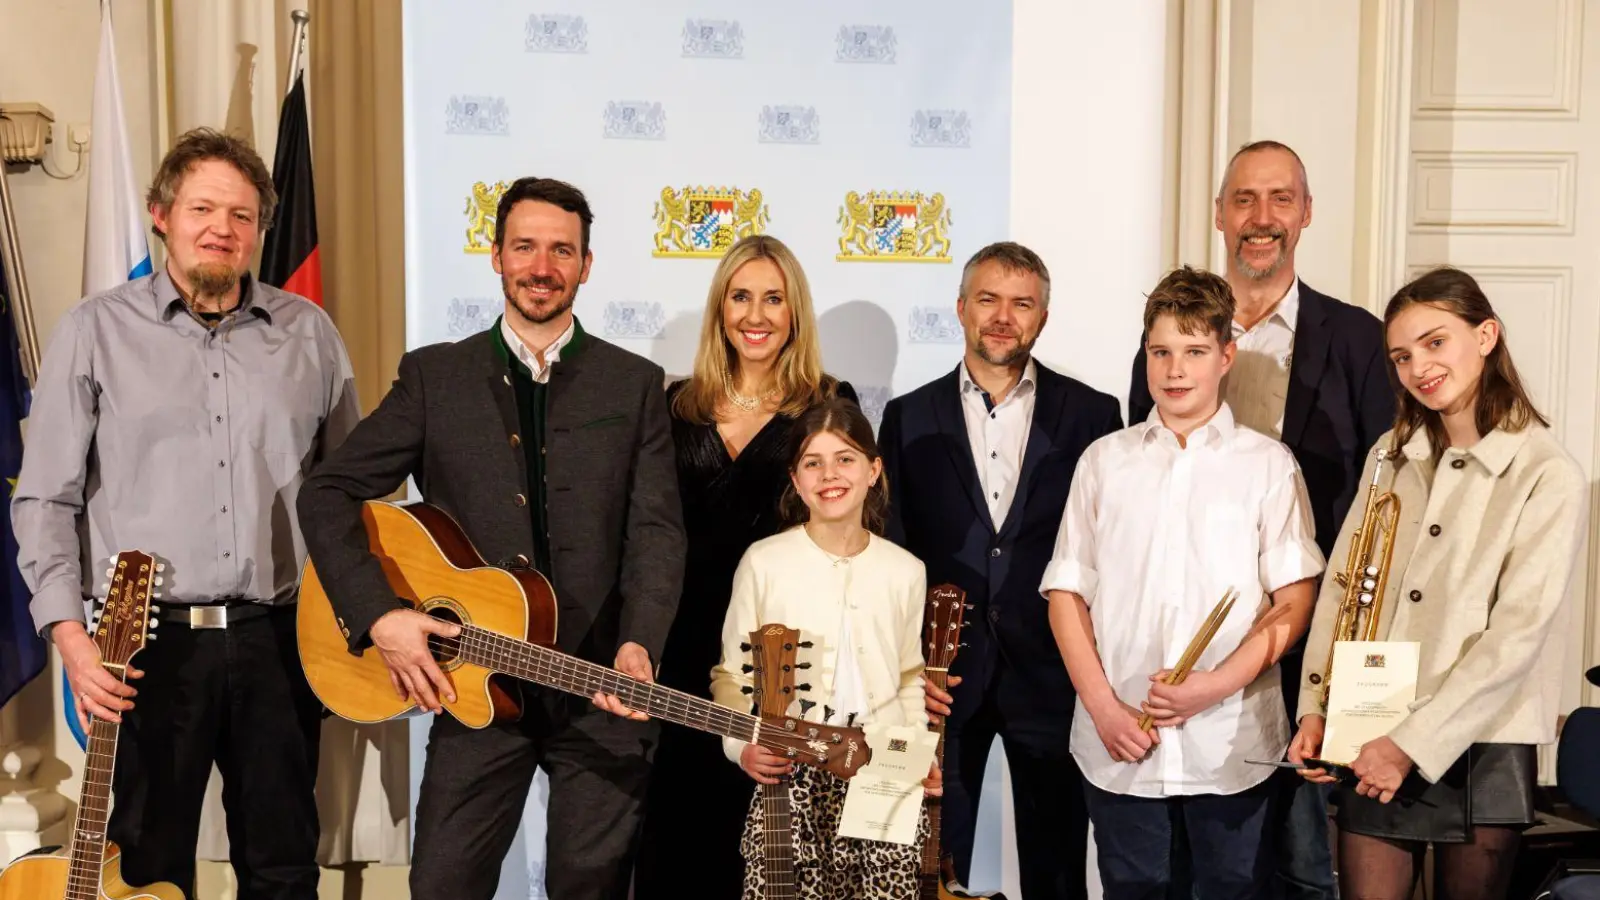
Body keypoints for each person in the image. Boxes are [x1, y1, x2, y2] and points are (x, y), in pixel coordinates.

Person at [295, 176, 685, 900]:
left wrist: (641, 642)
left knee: (591, 888)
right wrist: (380, 615)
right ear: (496, 255)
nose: (542, 266)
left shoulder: (633, 383)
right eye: (525, 247)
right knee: (442, 885)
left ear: (586, 265)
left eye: (561, 250)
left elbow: (656, 532)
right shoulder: (435, 376)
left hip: (600, 685)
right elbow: (326, 492)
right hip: (473, 683)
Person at [12, 127, 359, 899]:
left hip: (281, 641)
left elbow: (349, 495)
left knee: (283, 868)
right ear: (161, 214)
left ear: (259, 229)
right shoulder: (94, 331)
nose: (221, 229)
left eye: (241, 215)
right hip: (140, 645)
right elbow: (45, 498)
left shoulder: (311, 335)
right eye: (203, 208)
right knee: (144, 871)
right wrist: (71, 638)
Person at [1127, 140, 1393, 898]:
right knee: (1191, 865)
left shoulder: (1357, 338)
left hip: (1308, 641)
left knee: (1306, 863)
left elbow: (1385, 494)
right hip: (1187, 654)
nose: (1261, 217)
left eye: (1281, 198)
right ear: (1219, 214)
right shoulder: (1166, 342)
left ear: (1307, 213)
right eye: (1244, 198)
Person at [1290, 266, 1587, 900]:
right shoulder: (1389, 454)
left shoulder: (1547, 472)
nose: (1418, 367)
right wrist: (1316, 705)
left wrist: (1409, 745)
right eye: (1401, 356)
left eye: (1434, 342)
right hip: (1373, 723)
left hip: (1484, 739)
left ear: (1486, 335)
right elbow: (1345, 586)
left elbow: (1517, 635)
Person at [1046, 265, 1325, 899]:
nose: (1175, 370)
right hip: (1121, 740)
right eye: (1161, 352)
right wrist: (1102, 707)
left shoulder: (1268, 465)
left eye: (1195, 351)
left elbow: (1294, 600)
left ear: (1226, 356)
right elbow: (1066, 594)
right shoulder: (1103, 461)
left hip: (1231, 743)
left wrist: (1215, 685)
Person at [878, 241, 1121, 899]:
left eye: (1022, 304)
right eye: (988, 299)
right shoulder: (906, 416)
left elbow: (1108, 550)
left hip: (1053, 673)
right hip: (941, 679)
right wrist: (906, 670)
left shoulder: (1094, 415)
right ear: (961, 308)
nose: (1003, 317)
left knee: (1057, 869)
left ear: (1043, 317)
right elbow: (891, 551)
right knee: (932, 866)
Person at [634, 235, 856, 899]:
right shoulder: (674, 405)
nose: (755, 315)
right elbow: (640, 530)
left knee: (772, 854)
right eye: (740, 297)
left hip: (783, 663)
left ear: (794, 312)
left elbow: (855, 539)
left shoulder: (827, 405)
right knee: (677, 845)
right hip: (678, 657)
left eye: (773, 299)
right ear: (720, 308)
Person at [710, 398, 939, 899]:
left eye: (845, 459)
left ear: (873, 471)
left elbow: (908, 676)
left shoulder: (906, 570)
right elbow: (732, 675)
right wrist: (740, 745)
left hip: (884, 771)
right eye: (813, 463)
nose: (829, 475)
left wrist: (917, 750)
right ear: (795, 480)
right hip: (793, 772)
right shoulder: (764, 562)